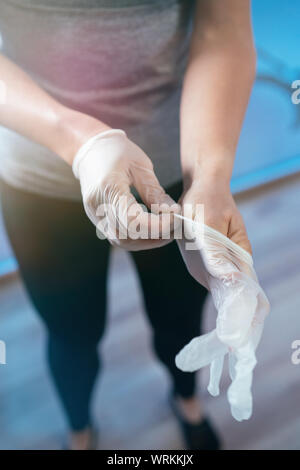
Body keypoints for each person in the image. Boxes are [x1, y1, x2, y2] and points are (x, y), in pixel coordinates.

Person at [0, 0, 255, 450]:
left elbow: (223, 27)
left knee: (180, 317)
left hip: (176, 164)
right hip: (38, 177)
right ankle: (80, 432)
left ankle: (186, 401)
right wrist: (80, 141)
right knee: (72, 331)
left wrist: (210, 176)